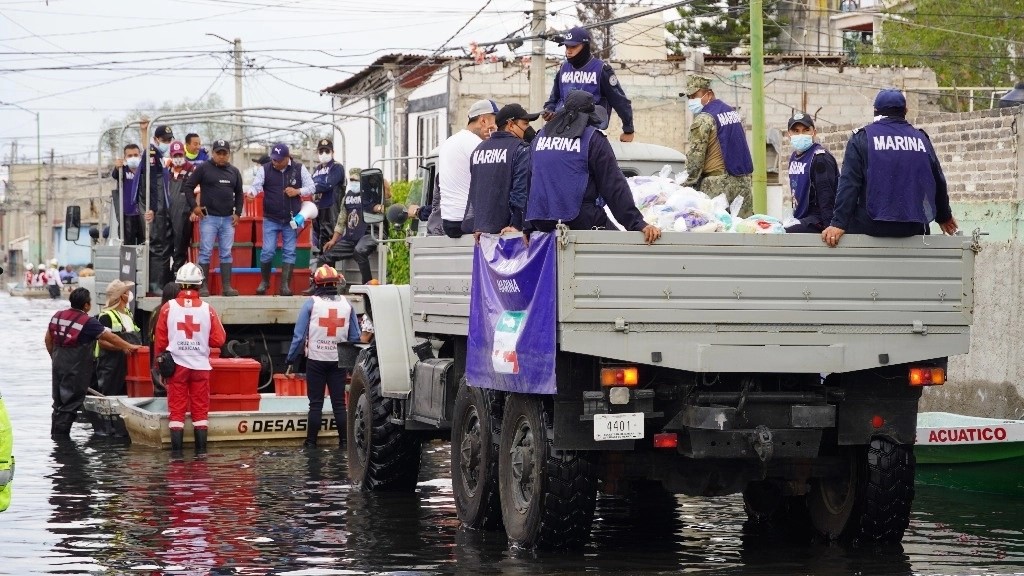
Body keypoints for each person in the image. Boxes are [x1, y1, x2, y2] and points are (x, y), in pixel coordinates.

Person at [822, 89, 958, 247]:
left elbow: (849, 184)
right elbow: (938, 182)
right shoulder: (921, 139)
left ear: (875, 110)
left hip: (870, 226)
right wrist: (944, 216)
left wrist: (838, 223)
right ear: (905, 111)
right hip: (913, 228)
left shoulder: (862, 138)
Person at [527, 90, 661, 245]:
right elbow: (613, 186)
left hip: (541, 221)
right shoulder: (593, 139)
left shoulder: (539, 138)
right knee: (623, 249)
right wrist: (636, 223)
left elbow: (530, 182)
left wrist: (527, 226)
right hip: (580, 217)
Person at [45, 287, 142, 437]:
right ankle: (62, 444)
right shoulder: (87, 322)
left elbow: (48, 339)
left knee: (58, 404)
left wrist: (54, 358)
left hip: (58, 365)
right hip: (76, 368)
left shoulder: (58, 316)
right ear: (86, 305)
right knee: (70, 404)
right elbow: (110, 337)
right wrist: (129, 346)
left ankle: (55, 439)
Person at [153, 263, 227, 454]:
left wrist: (159, 367)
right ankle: (201, 456)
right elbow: (219, 339)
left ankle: (176, 458)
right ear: (199, 284)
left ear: (179, 284)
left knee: (176, 412)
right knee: (200, 412)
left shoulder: (167, 308)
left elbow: (160, 342)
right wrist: (202, 339)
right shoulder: (207, 309)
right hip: (200, 366)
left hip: (176, 366)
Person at [286, 265, 360, 449]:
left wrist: (290, 359)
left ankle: (311, 443)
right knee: (339, 405)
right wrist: (350, 364)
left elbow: (299, 336)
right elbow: (355, 337)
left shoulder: (311, 304)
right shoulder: (347, 304)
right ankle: (345, 443)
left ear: (316, 283)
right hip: (338, 361)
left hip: (316, 361)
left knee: (316, 404)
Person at [542, 26, 635, 143]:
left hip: (589, 133)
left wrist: (628, 129)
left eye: (573, 47)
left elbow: (620, 101)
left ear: (585, 46)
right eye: (566, 46)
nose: (568, 51)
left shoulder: (601, 70)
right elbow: (554, 99)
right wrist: (549, 110)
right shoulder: (564, 68)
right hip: (562, 133)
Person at [681, 74, 754, 217]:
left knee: (714, 231)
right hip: (743, 183)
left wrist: (687, 186)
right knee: (743, 230)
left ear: (709, 94)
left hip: (717, 185)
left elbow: (696, 158)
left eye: (694, 96)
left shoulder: (704, 119)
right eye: (689, 97)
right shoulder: (731, 112)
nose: (691, 101)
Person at [250, 142, 315, 296]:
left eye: (279, 160)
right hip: (271, 218)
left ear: (287, 158)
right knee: (267, 251)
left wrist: (298, 191)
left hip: (291, 219)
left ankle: (284, 286)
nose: (275, 162)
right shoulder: (265, 169)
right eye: (273, 159)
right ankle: (264, 281)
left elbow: (312, 187)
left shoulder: (299, 169)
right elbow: (256, 185)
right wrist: (251, 193)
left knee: (289, 252)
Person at [462, 102, 537, 236]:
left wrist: (479, 225)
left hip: (483, 232)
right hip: (508, 232)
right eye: (525, 124)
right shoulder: (521, 149)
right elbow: (521, 190)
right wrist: (517, 225)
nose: (528, 128)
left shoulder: (479, 150)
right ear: (511, 124)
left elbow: (477, 191)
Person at [182, 139, 244, 297]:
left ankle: (227, 287)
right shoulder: (203, 168)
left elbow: (239, 194)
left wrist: (238, 213)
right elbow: (188, 187)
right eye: (218, 153)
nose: (221, 156)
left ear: (229, 154)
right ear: (213, 153)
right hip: (209, 218)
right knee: (205, 252)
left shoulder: (235, 172)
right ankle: (203, 287)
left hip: (228, 219)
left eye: (225, 153)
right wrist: (194, 208)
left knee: (226, 253)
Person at [438, 99, 499, 238]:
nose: (495, 128)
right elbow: (490, 183)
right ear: (483, 121)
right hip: (467, 222)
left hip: (449, 221)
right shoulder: (475, 143)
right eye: (494, 123)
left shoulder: (450, 141)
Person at [316, 167, 378, 287]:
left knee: (359, 251)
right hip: (351, 237)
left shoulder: (372, 195)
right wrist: (333, 240)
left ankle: (367, 287)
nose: (353, 183)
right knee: (325, 257)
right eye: (351, 180)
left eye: (356, 180)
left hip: (368, 234)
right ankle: (325, 287)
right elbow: (341, 220)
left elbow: (386, 199)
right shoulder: (347, 197)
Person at [784, 112, 839, 234]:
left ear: (814, 132)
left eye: (805, 130)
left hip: (818, 219)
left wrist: (829, 228)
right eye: (796, 131)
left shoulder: (820, 157)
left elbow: (827, 196)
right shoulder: (794, 157)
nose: (801, 135)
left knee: (783, 232)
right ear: (789, 134)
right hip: (801, 216)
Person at [93, 279, 143, 396]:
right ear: (120, 297)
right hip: (111, 367)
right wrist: (122, 347)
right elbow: (102, 342)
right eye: (126, 292)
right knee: (112, 393)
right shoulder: (106, 316)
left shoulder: (128, 314)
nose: (129, 294)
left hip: (129, 364)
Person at [164, 140, 197, 281]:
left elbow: (199, 191)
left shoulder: (192, 169)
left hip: (183, 214)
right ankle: (165, 275)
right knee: (166, 244)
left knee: (181, 244)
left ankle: (176, 274)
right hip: (166, 213)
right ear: (171, 155)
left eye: (180, 154)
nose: (178, 157)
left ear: (184, 153)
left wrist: (195, 210)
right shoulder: (166, 170)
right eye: (175, 155)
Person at [111, 144, 152, 245]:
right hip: (127, 215)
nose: (133, 157)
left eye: (135, 155)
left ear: (140, 155)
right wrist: (117, 167)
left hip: (143, 214)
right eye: (129, 156)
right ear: (125, 157)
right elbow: (115, 175)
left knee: (145, 245)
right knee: (128, 248)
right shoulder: (122, 170)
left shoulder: (144, 170)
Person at [310, 138, 345, 252]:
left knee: (331, 241)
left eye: (327, 151)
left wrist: (312, 187)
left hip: (332, 209)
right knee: (319, 239)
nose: (324, 154)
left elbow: (328, 184)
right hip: (318, 209)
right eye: (321, 151)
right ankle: (322, 268)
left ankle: (331, 268)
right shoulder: (317, 169)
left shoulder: (336, 167)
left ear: (332, 152)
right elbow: (310, 183)